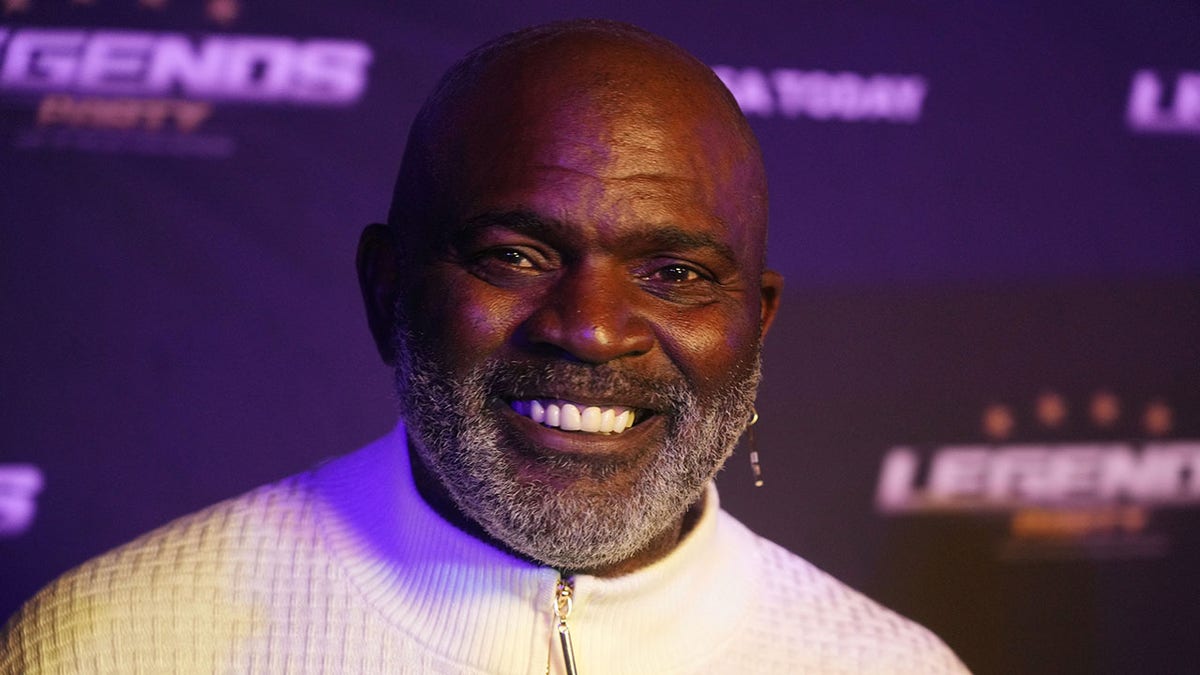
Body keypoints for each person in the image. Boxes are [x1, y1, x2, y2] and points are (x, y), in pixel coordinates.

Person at [0, 19, 969, 674]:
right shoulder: (116, 644)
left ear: (756, 321)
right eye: (515, 254)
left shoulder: (887, 667)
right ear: (388, 289)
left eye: (673, 273)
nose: (590, 329)